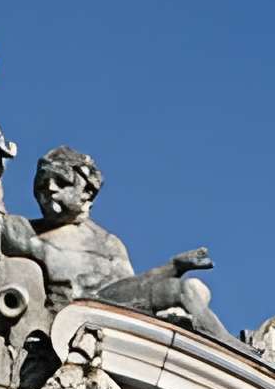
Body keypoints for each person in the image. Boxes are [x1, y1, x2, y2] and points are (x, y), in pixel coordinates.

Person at [21, 146, 231, 340]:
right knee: (183, 290)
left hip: (104, 308)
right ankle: (227, 346)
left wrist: (175, 266)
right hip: (61, 321)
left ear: (87, 191)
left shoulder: (107, 243)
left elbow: (132, 288)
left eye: (61, 181)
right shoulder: (24, 231)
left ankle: (225, 345)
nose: (49, 188)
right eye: (41, 183)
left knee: (194, 288)